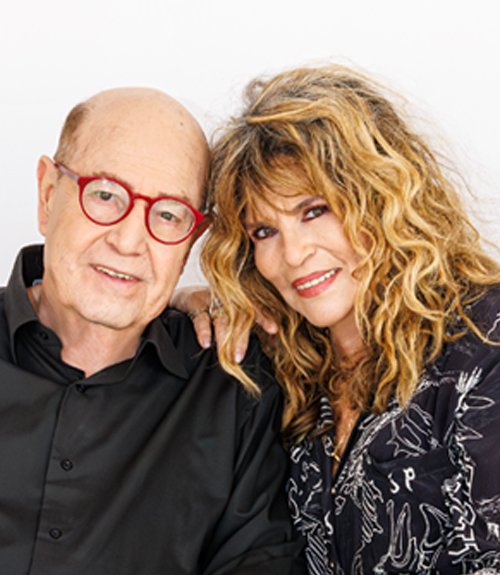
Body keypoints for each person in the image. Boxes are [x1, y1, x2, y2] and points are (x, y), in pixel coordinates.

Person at [177, 65, 500, 574]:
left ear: (381, 196)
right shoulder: (285, 370)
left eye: (314, 210)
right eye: (264, 231)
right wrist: (187, 303)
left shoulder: (485, 341)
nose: (293, 253)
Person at [0, 87, 304, 574]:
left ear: (191, 241)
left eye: (167, 214)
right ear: (48, 194)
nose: (128, 241)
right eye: (105, 194)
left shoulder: (232, 387)